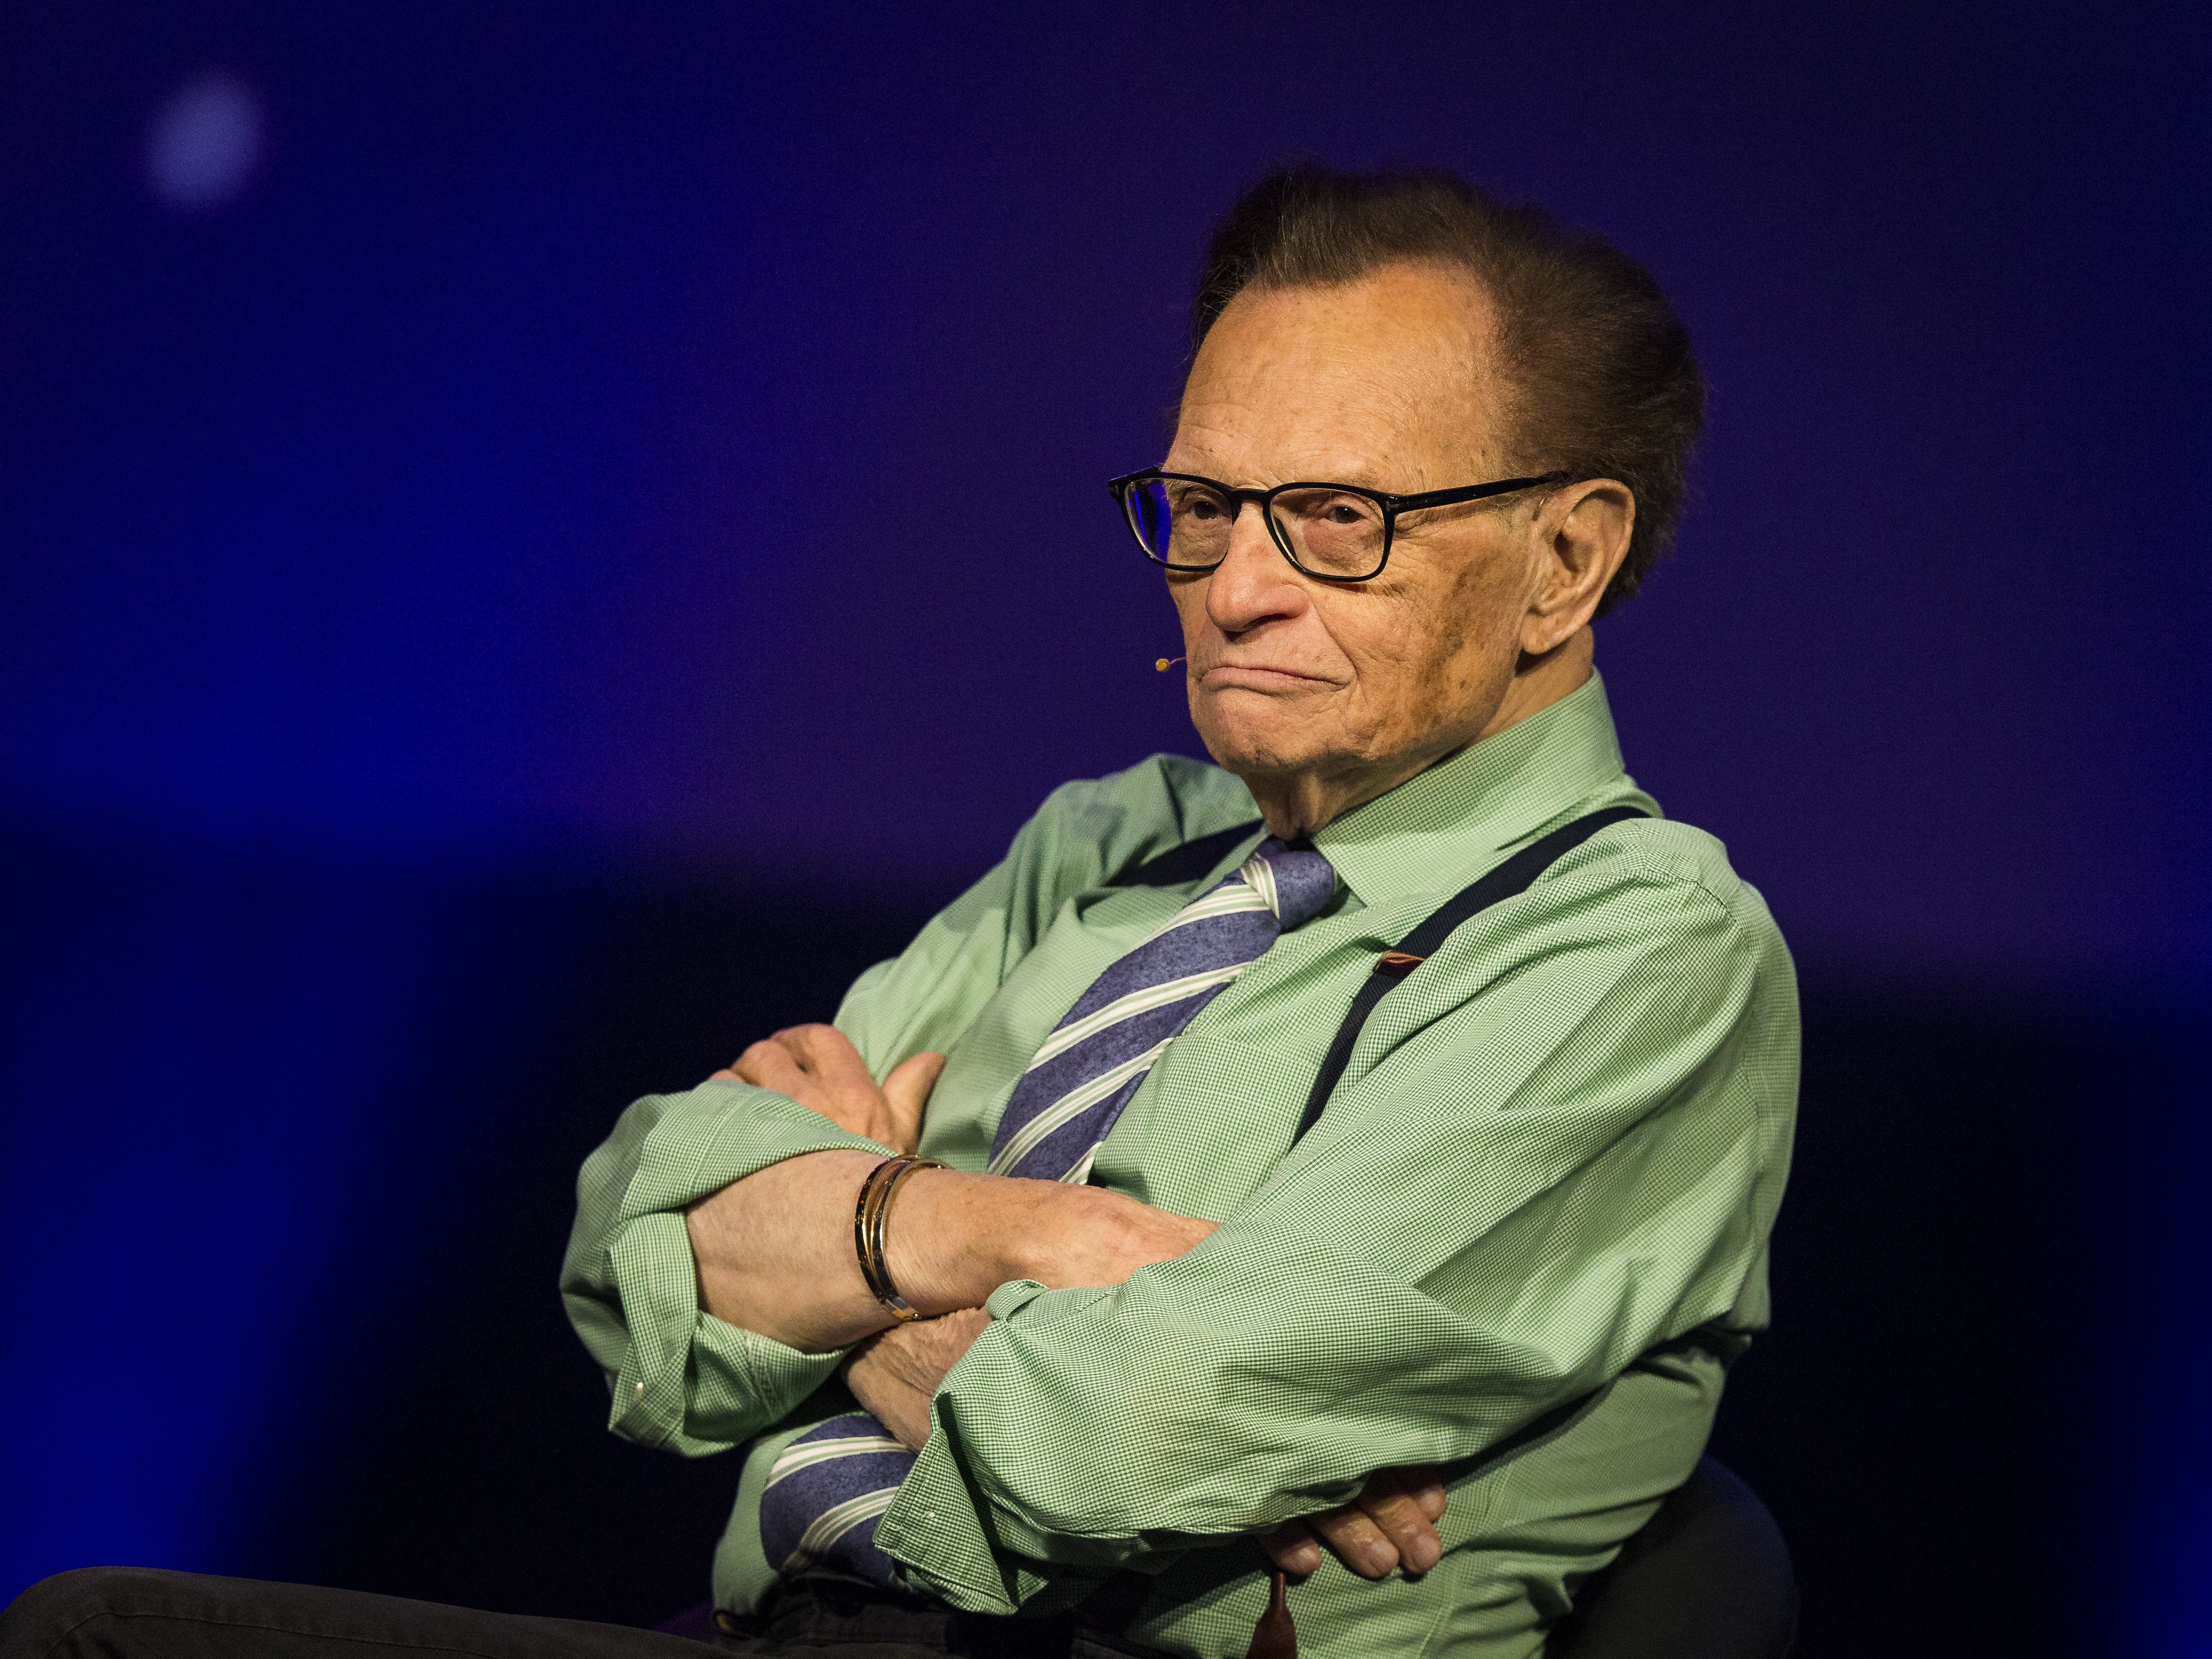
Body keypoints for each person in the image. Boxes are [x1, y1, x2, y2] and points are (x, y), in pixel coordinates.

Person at [2, 164, 1795, 1659]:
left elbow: (1111, 1441)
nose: (1235, 586)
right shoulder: (1104, 846)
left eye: (1333, 518)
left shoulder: (1640, 949)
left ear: (1565, 560)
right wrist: (999, 1234)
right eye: (1200, 506)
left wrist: (853, 1252)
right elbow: (638, 1264)